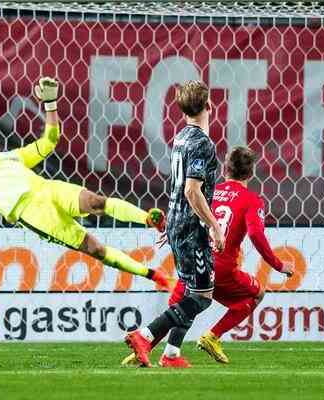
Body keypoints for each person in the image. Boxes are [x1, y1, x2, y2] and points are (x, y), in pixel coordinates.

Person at [0, 77, 172, 288]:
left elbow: (49, 140)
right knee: (96, 249)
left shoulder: (13, 157)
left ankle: (149, 219)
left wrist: (50, 105)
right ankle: (154, 275)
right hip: (33, 215)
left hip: (48, 189)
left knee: (96, 202)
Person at [121, 146, 293, 365]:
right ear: (251, 174)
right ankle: (211, 336)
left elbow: (186, 214)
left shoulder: (208, 192)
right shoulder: (251, 200)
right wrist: (278, 265)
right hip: (221, 269)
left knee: (184, 303)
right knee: (257, 293)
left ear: (224, 169)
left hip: (193, 259)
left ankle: (167, 353)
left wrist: (172, 232)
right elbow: (256, 234)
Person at [124, 80, 221, 368]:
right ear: (209, 105)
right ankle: (145, 334)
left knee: (193, 290)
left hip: (180, 222)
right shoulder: (202, 143)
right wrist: (214, 226)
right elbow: (192, 190)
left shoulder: (180, 138)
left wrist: (173, 222)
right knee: (202, 297)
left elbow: (177, 186)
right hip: (192, 227)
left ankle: (171, 354)